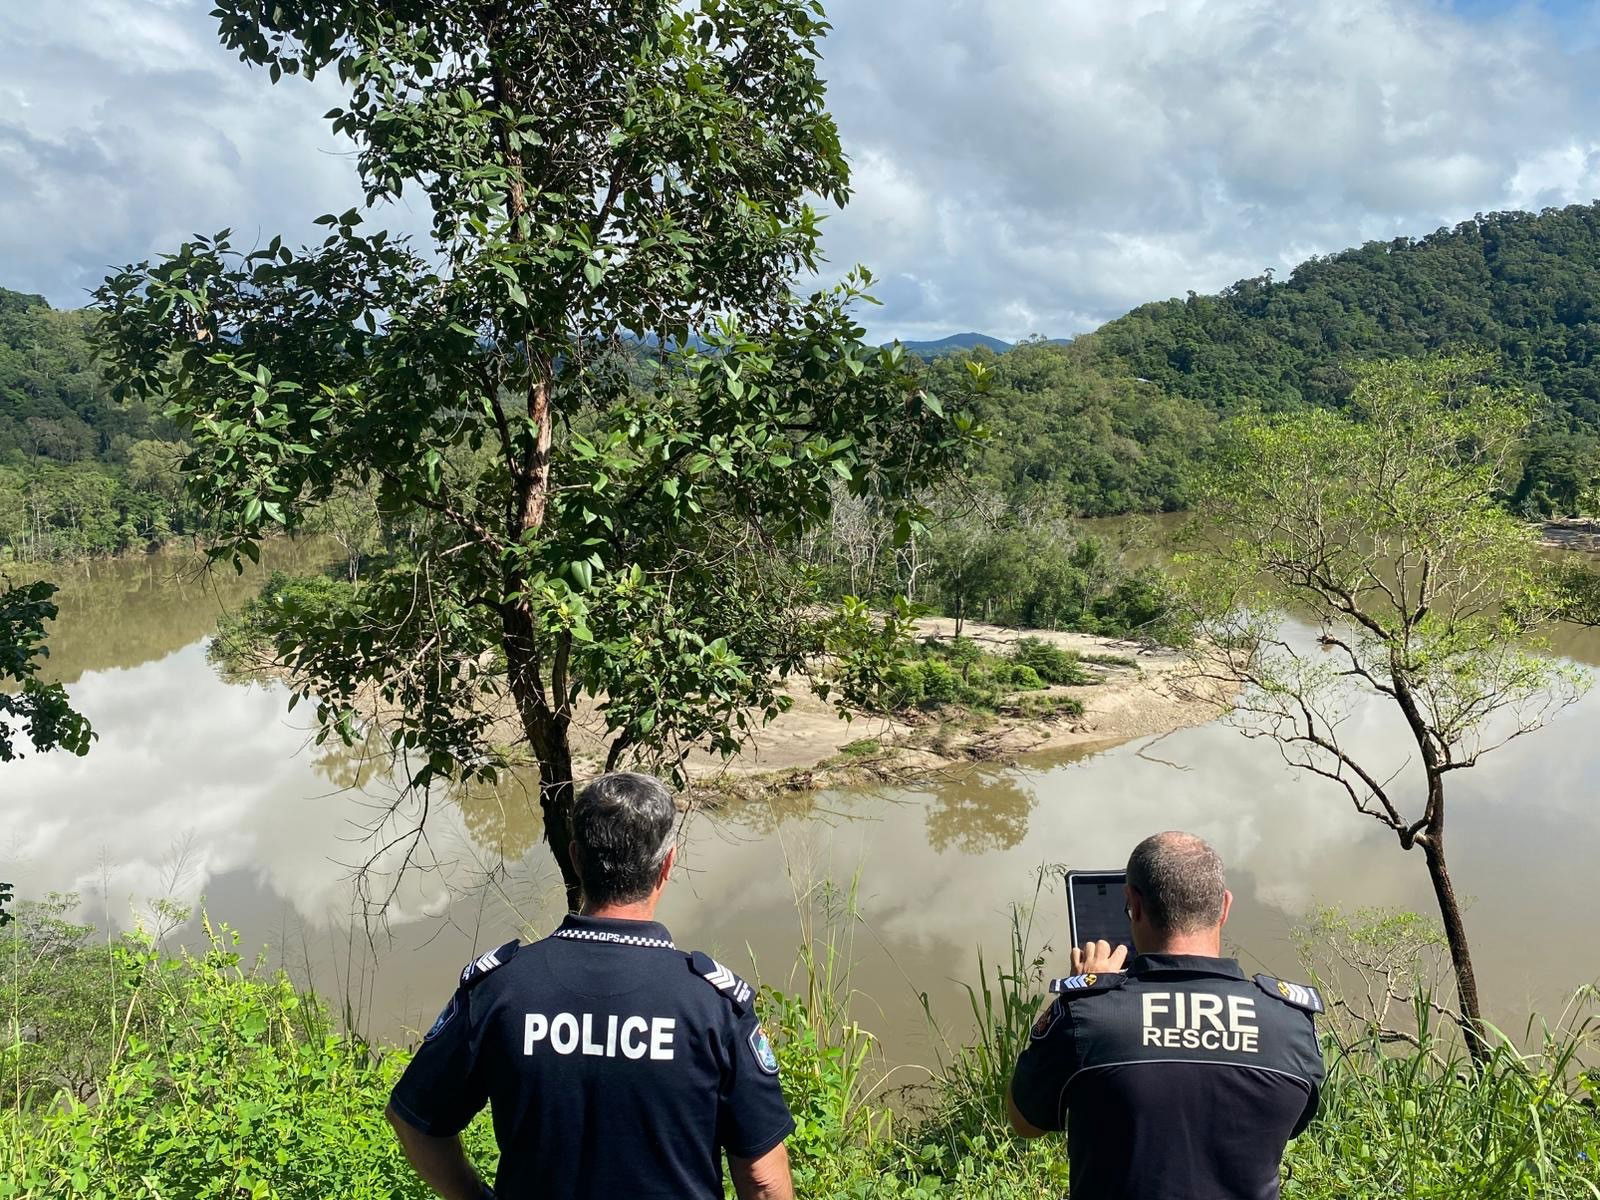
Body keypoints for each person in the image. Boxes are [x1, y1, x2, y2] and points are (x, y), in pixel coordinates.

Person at [385, 771, 795, 1200]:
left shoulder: (500, 988)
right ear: (667, 865)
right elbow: (764, 1181)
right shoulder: (712, 1005)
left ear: (576, 858)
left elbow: (414, 1118)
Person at [1008, 831, 1326, 1200]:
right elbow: (1292, 1123)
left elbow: (1024, 1121)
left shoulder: (1088, 1017)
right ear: (1224, 907)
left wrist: (1081, 988)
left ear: (1134, 905)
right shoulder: (1289, 1026)